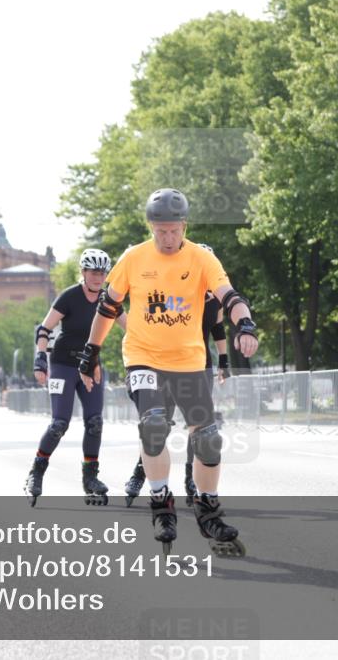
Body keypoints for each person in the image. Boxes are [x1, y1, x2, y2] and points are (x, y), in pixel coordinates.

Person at [79, 188, 259, 555]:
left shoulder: (202, 258)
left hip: (189, 362)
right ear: (151, 227)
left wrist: (247, 326)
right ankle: (161, 503)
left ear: (184, 225)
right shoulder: (133, 258)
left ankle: (208, 509)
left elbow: (230, 296)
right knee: (154, 425)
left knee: (208, 439)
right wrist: (91, 352)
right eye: (160, 231)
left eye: (174, 230)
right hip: (143, 356)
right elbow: (108, 307)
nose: (167, 238)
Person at [123, 242, 232, 507]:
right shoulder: (178, 293)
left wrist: (224, 360)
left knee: (201, 427)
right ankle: (142, 473)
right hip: (165, 366)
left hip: (200, 365)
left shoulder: (215, 299)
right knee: (158, 423)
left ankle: (192, 481)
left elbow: (218, 329)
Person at [25, 248, 124, 507]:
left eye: (102, 273)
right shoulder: (69, 296)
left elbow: (133, 329)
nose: (98, 277)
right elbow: (44, 328)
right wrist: (39, 359)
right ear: (83, 272)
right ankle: (36, 472)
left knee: (95, 422)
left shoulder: (109, 299)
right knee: (60, 423)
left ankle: (90, 478)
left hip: (91, 366)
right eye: (93, 272)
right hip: (62, 365)